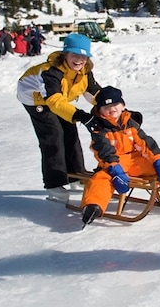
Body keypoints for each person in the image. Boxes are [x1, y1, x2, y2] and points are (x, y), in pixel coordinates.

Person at [79, 86, 160, 226]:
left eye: (115, 104)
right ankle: (93, 206)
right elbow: (104, 151)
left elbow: (146, 142)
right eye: (106, 106)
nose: (112, 109)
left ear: (123, 106)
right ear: (100, 110)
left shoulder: (131, 123)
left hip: (135, 160)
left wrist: (157, 159)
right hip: (114, 164)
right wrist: (115, 168)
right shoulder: (99, 129)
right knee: (101, 178)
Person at [17, 33, 102, 203]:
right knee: (53, 135)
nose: (79, 60)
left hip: (58, 100)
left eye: (83, 56)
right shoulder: (52, 72)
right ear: (65, 54)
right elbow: (54, 101)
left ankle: (75, 176)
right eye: (74, 55)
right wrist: (80, 115)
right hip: (35, 99)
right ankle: (54, 183)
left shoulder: (85, 71)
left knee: (70, 132)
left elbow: (93, 92)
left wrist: (113, 106)